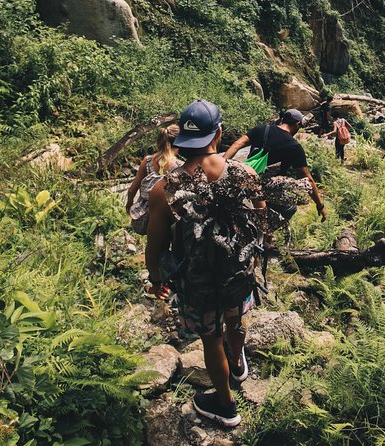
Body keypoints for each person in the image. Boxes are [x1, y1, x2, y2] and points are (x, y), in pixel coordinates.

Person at [147, 100, 265, 427]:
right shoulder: (245, 173)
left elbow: (154, 246)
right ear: (219, 134)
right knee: (236, 319)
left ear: (183, 139)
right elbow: (261, 221)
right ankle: (239, 366)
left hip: (198, 284)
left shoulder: (164, 188)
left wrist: (156, 279)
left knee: (211, 340)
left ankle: (225, 407)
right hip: (239, 274)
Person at [223, 108, 327, 223]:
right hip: (267, 188)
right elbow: (308, 179)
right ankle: (267, 231)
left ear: (283, 120)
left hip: (246, 176)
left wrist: (222, 164)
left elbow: (238, 143)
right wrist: (320, 205)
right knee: (290, 209)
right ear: (297, 124)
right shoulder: (294, 146)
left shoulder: (261, 129)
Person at [126, 124, 181, 234]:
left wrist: (129, 204)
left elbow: (132, 189)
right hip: (166, 216)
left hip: (145, 215)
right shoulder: (179, 166)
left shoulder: (147, 161)